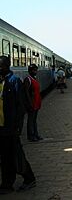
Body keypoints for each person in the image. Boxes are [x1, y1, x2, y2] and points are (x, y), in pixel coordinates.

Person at [0, 56, 36, 194]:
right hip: (2, 127)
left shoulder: (14, 82)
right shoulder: (2, 82)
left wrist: (18, 127)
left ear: (7, 66)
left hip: (11, 127)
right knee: (5, 157)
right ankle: (6, 184)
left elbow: (20, 106)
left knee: (16, 155)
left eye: (1, 66)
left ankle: (29, 178)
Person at [24, 64, 43, 142]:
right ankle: (31, 136)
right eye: (33, 70)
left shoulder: (34, 78)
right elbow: (26, 92)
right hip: (32, 103)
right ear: (30, 71)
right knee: (31, 120)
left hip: (36, 102)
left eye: (35, 70)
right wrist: (29, 103)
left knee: (34, 120)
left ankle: (35, 134)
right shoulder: (28, 79)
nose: (35, 71)